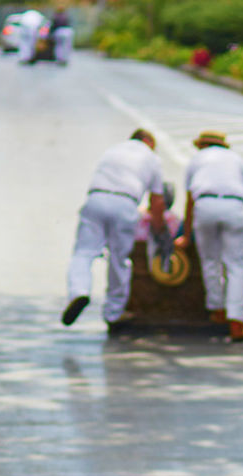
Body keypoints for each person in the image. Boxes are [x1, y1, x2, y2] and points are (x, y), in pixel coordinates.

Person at [63, 130, 171, 329]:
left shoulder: (113, 150)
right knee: (119, 259)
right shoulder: (152, 158)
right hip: (125, 203)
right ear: (148, 142)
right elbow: (157, 200)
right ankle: (114, 313)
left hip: (96, 198)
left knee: (83, 253)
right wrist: (161, 232)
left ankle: (79, 292)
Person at [176, 130, 243, 342]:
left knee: (210, 261)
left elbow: (190, 199)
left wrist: (186, 234)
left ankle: (217, 310)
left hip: (206, 205)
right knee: (236, 266)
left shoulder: (197, 160)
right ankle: (237, 323)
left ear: (201, 145)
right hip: (234, 206)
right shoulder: (236, 159)